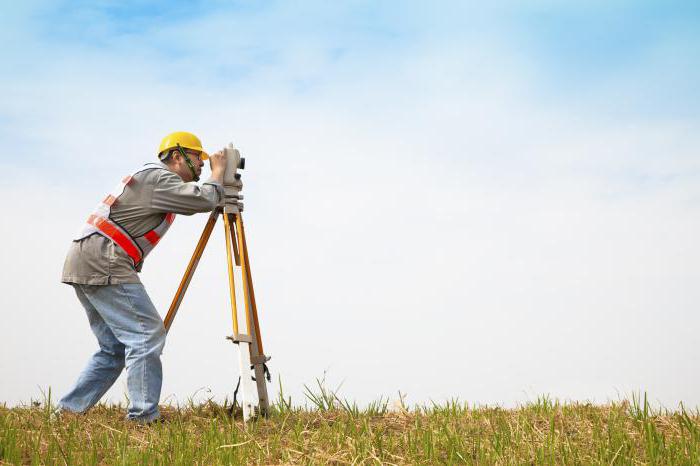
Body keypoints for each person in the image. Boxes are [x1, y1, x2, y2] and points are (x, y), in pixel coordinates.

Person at [58, 131, 227, 423]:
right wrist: (220, 173)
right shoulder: (160, 178)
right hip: (104, 259)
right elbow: (203, 199)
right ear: (177, 157)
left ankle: (67, 413)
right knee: (146, 335)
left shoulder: (152, 179)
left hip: (88, 258)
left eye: (205, 160)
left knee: (114, 349)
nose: (202, 164)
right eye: (198, 157)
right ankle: (142, 417)